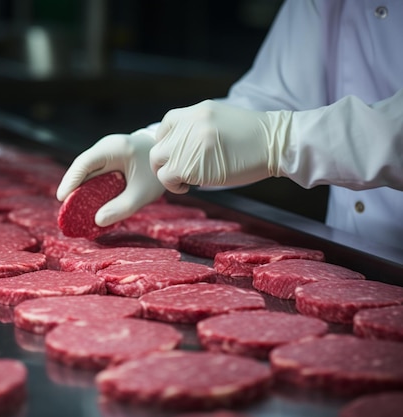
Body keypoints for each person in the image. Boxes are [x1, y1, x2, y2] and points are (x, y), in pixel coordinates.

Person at [56, 0, 403, 250]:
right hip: (357, 256)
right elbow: (275, 98)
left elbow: (275, 130)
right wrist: (155, 144)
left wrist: (279, 140)